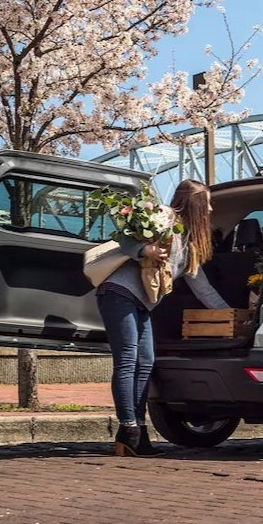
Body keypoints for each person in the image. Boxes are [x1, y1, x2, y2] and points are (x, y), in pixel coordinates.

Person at [98, 179, 229, 457]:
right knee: (128, 361)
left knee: (146, 362)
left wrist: (230, 315)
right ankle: (128, 428)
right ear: (193, 203)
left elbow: (202, 287)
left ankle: (136, 432)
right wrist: (144, 250)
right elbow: (122, 237)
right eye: (205, 202)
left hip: (143, 302)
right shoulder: (164, 217)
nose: (210, 208)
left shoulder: (190, 243)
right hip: (119, 292)